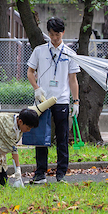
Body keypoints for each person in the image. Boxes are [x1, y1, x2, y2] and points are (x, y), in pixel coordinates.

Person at [27, 17, 80, 184]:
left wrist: (76, 101)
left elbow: (73, 79)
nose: (54, 38)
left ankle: (61, 173)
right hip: (43, 99)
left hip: (62, 100)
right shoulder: (40, 50)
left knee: (62, 138)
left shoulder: (69, 53)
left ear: (63, 32)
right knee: (41, 137)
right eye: (51, 35)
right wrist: (36, 88)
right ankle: (40, 173)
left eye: (57, 35)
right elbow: (30, 72)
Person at [0, 109, 39, 189]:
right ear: (20, 122)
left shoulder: (19, 120)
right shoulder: (9, 128)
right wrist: (18, 170)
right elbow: (13, 150)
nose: (28, 130)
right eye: (28, 128)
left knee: (1, 158)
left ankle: (4, 185)